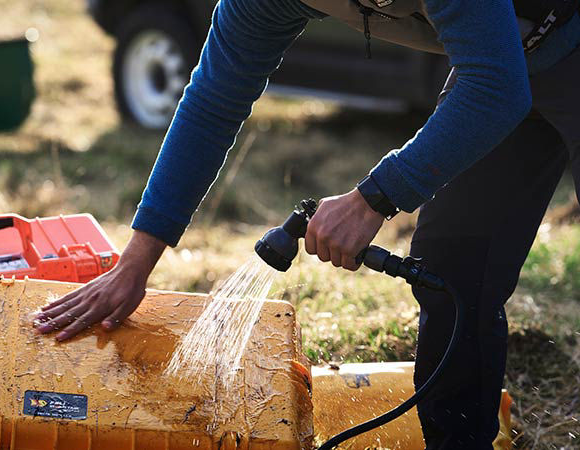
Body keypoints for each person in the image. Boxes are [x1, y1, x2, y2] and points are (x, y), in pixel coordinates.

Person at [35, 0, 580, 448]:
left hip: (539, 53)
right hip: (506, 65)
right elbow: (212, 102)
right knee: (455, 265)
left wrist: (373, 198)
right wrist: (136, 263)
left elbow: (496, 88)